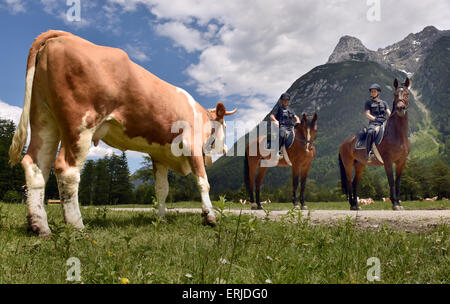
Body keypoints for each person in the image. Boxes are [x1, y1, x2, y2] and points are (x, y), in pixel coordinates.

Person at [269, 93, 300, 158]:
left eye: (287, 100)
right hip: (282, 126)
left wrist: (297, 120)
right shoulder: (278, 108)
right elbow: (271, 116)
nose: (285, 101)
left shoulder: (290, 109)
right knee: (281, 135)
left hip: (291, 127)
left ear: (288, 101)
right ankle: (277, 151)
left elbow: (295, 116)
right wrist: (275, 121)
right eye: (284, 100)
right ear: (281, 101)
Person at [364, 84, 391, 159]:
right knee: (370, 132)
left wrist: (391, 118)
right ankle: (368, 152)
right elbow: (367, 114)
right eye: (372, 92)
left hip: (384, 122)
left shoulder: (384, 103)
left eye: (374, 91)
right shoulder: (368, 103)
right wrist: (375, 119)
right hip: (374, 123)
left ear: (378, 92)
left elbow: (389, 112)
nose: (372, 93)